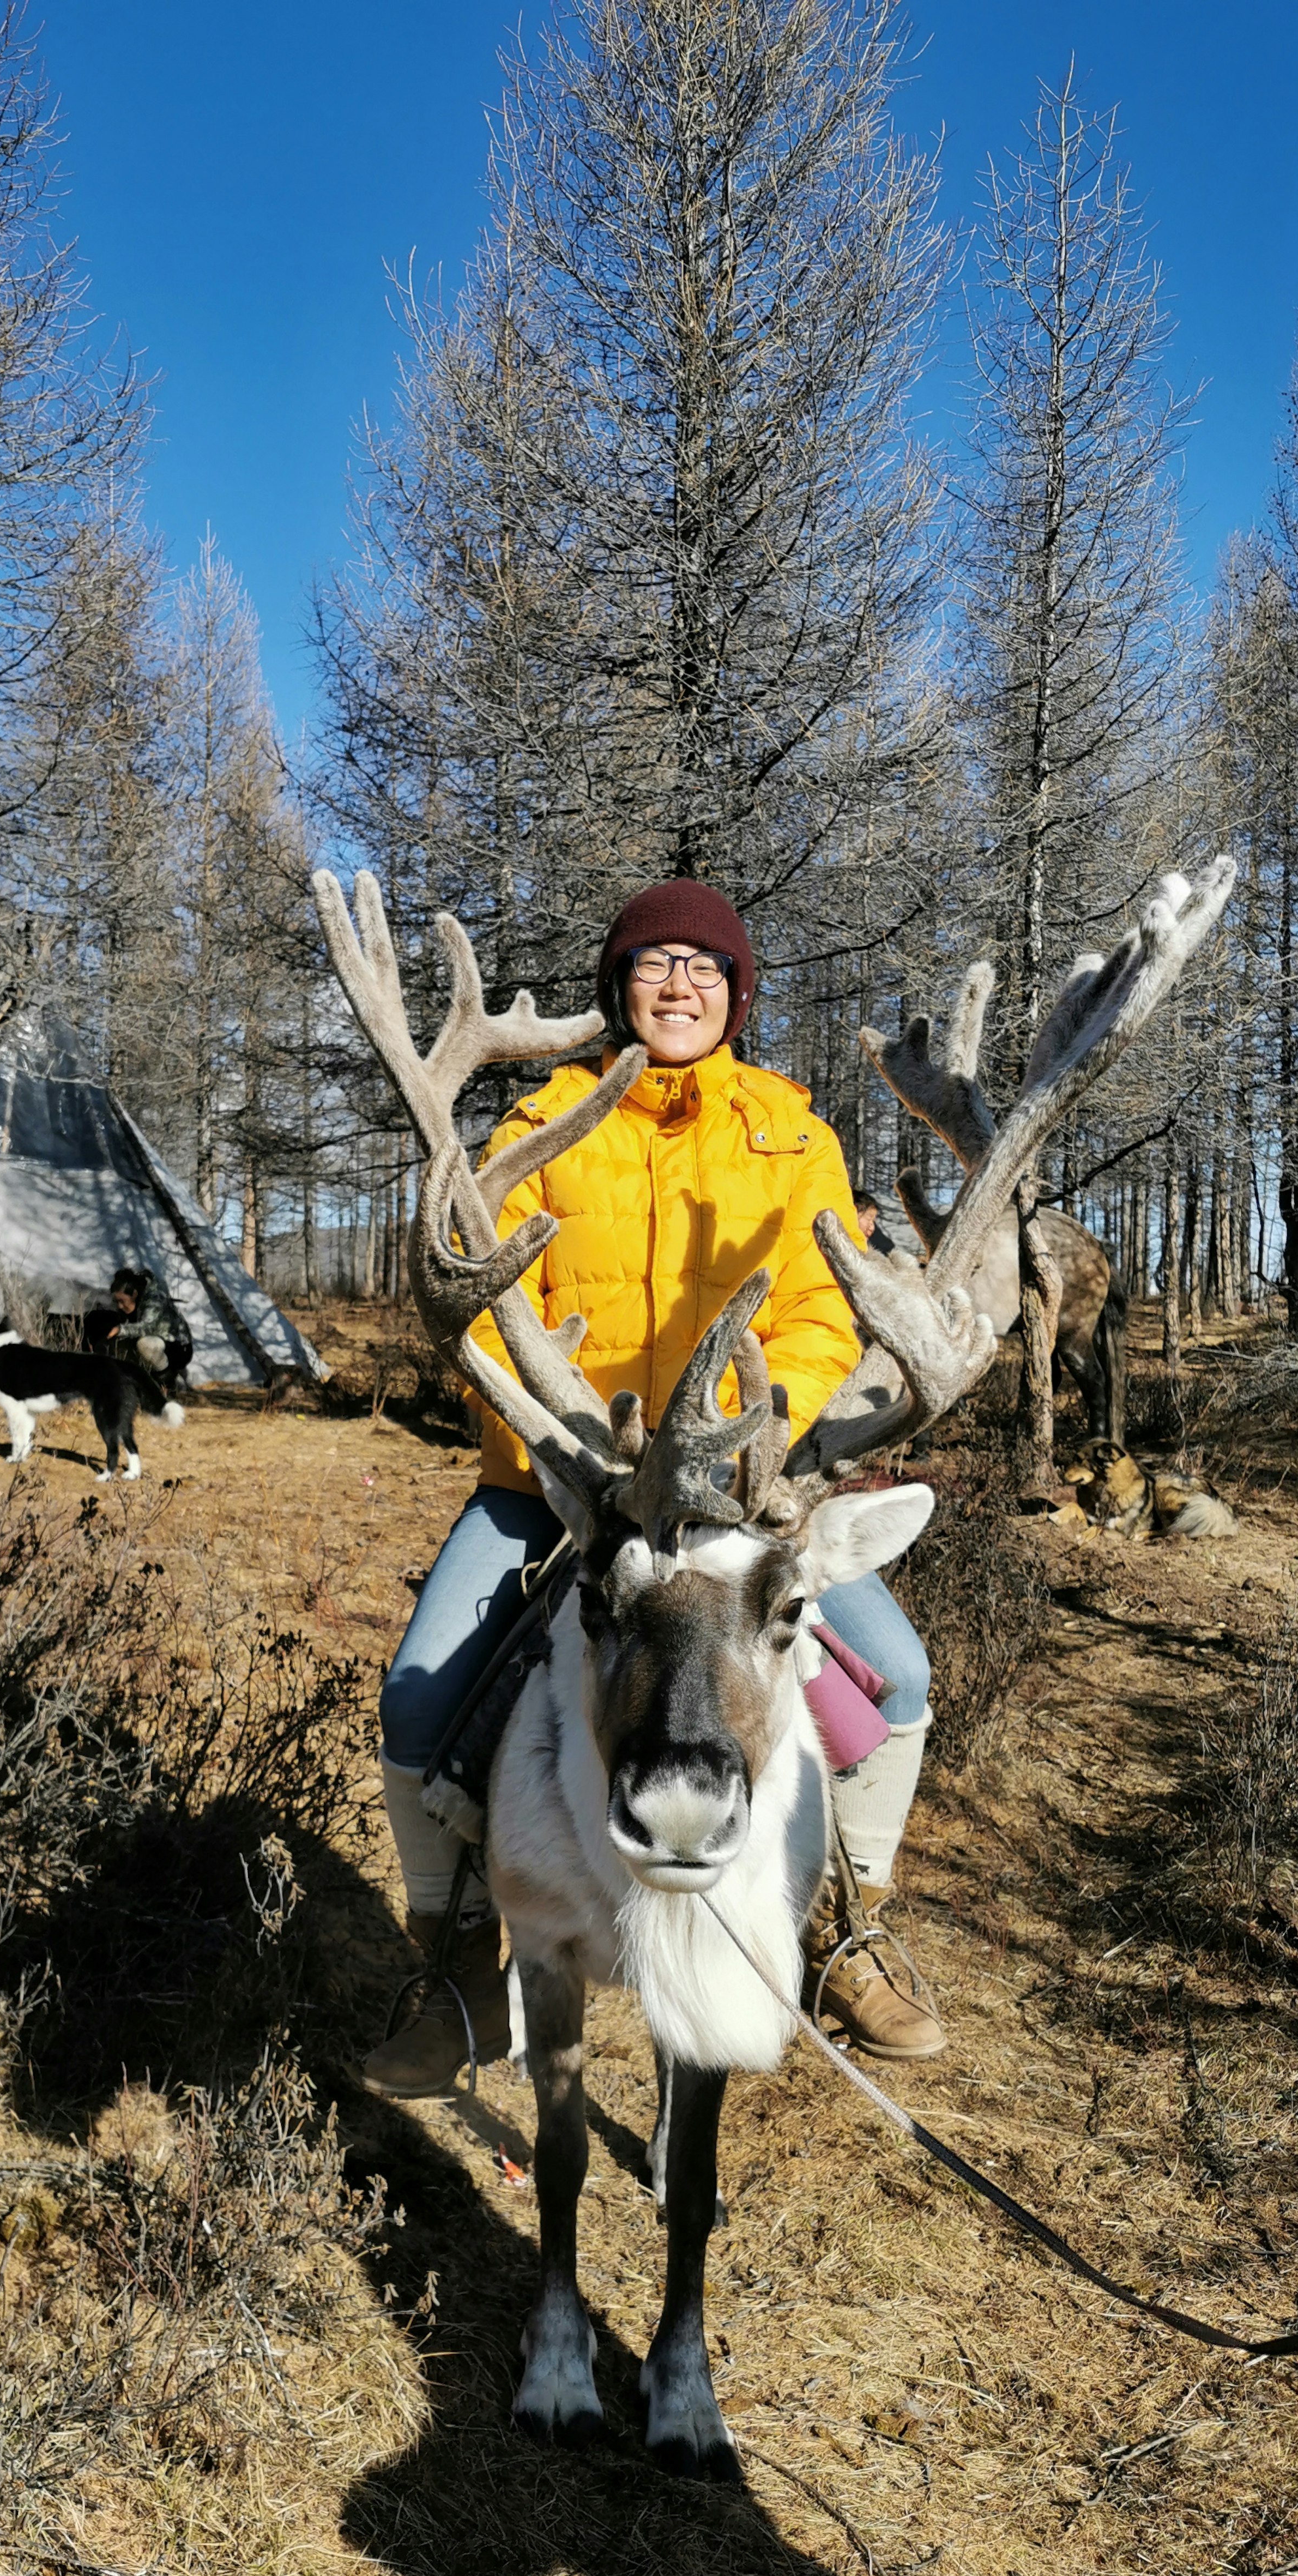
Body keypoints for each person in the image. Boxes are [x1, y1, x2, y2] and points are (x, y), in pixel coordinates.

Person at [363, 879, 943, 2099]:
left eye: (705, 966)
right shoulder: (545, 1124)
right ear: (617, 987)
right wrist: (565, 1435)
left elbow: (822, 1307)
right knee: (419, 1709)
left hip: (742, 1502)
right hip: (565, 1489)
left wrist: (745, 1445)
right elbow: (477, 1303)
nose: (679, 984)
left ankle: (845, 1925)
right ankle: (466, 1969)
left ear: (738, 994)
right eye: (653, 963)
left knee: (895, 1688)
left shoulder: (792, 1135)